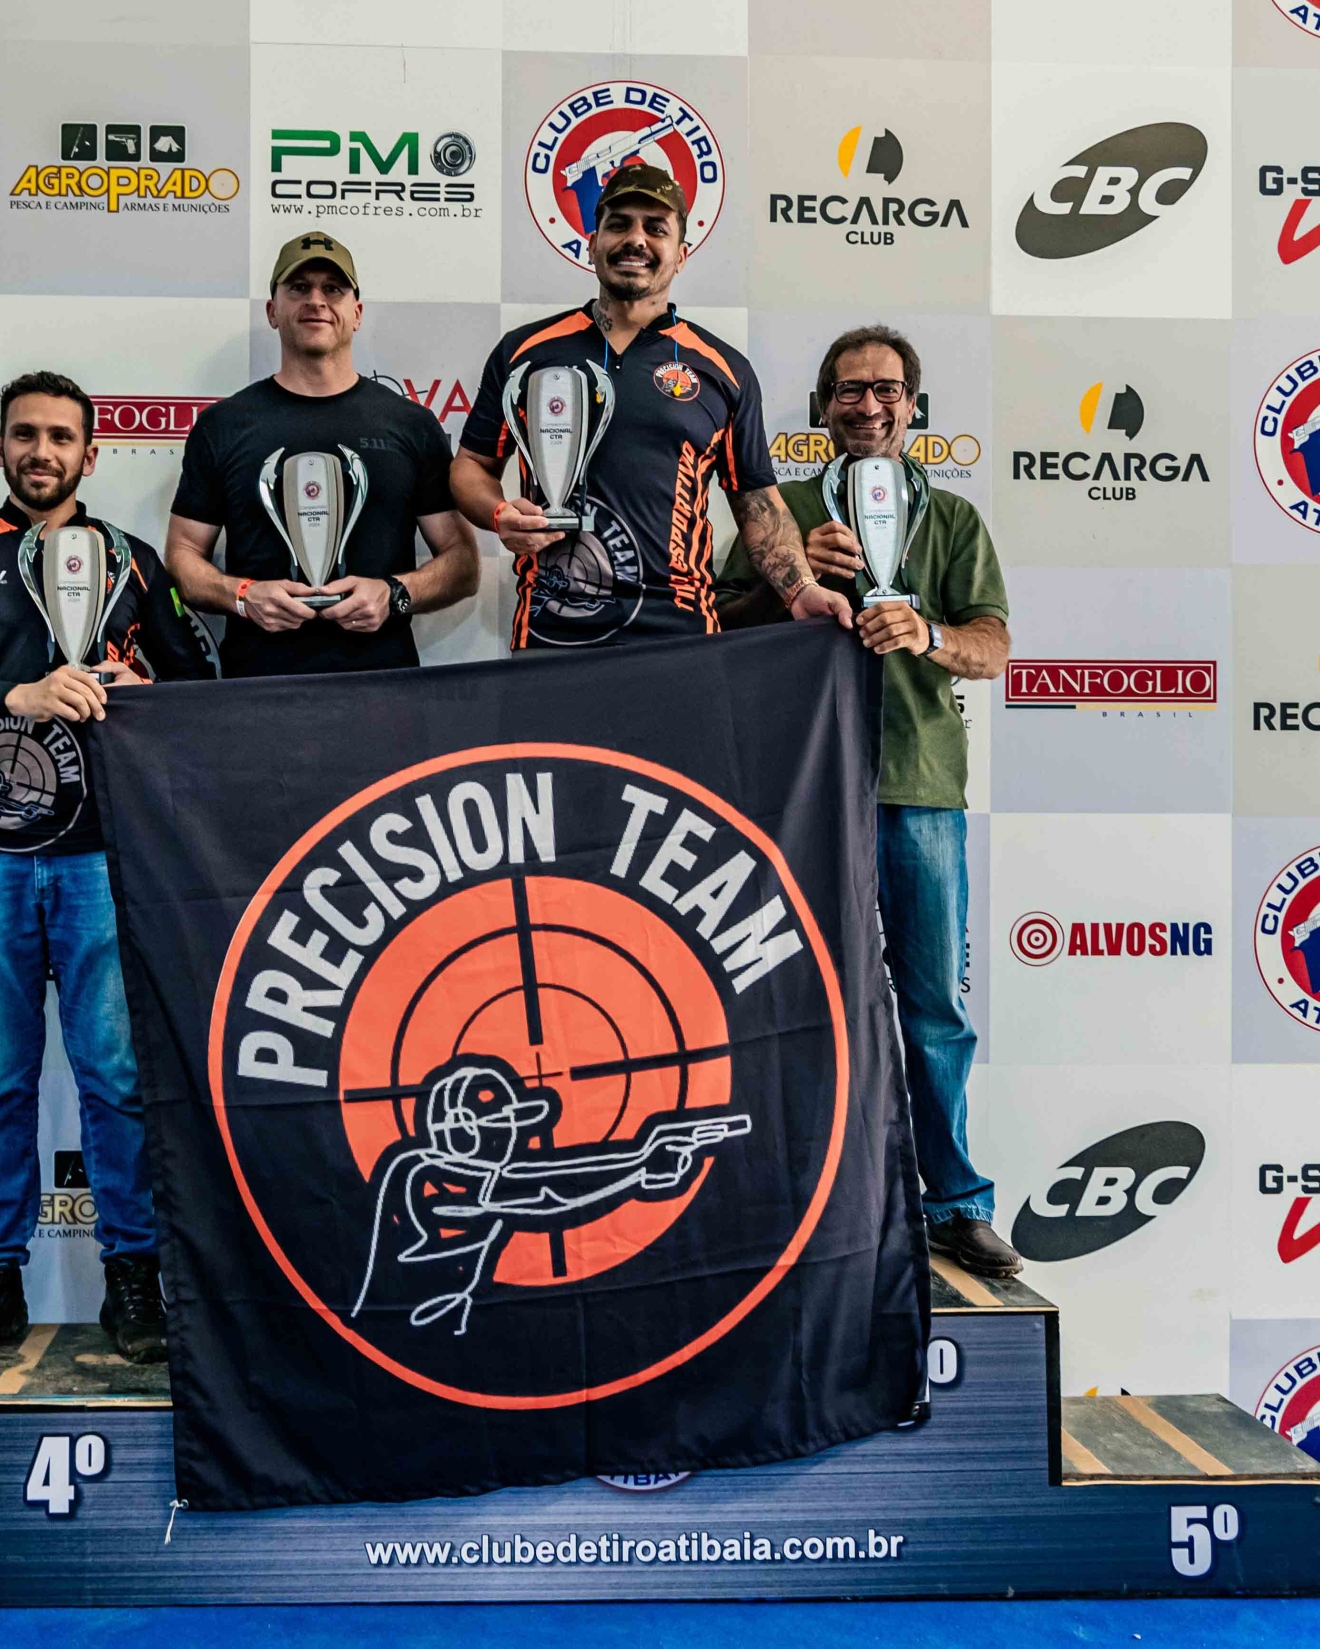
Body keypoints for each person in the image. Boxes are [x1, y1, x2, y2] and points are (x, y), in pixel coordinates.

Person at [0, 370, 217, 1366]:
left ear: (91, 453)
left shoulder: (132, 561)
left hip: (101, 856)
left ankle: (133, 1271)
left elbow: (199, 682)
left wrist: (136, 684)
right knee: (1, 1081)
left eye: (61, 436)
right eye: (25, 434)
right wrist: (17, 693)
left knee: (116, 1079)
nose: (42, 451)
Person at [714, 326, 1018, 1277]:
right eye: (850, 389)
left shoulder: (953, 517)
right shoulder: (785, 511)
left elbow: (993, 646)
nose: (869, 404)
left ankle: (954, 1202)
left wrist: (928, 633)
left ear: (913, 406)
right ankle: (801, 1195)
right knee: (795, 1000)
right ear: (823, 407)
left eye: (887, 389)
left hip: (919, 784)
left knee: (933, 1006)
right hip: (801, 786)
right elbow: (718, 623)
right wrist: (795, 577)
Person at [451, 161, 847, 649]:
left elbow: (757, 502)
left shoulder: (725, 369)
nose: (635, 239)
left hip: (680, 638)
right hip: (551, 632)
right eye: (619, 224)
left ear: (680, 255)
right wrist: (498, 515)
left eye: (655, 228)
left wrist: (800, 588)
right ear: (592, 243)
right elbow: (471, 465)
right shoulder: (525, 352)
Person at [164, 231, 478, 674]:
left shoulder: (411, 424)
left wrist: (394, 594)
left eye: (333, 289)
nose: (316, 301)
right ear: (272, 311)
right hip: (256, 686)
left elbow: (463, 563)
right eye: (298, 287)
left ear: (357, 313)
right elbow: (181, 556)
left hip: (383, 686)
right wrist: (243, 595)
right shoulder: (224, 425)